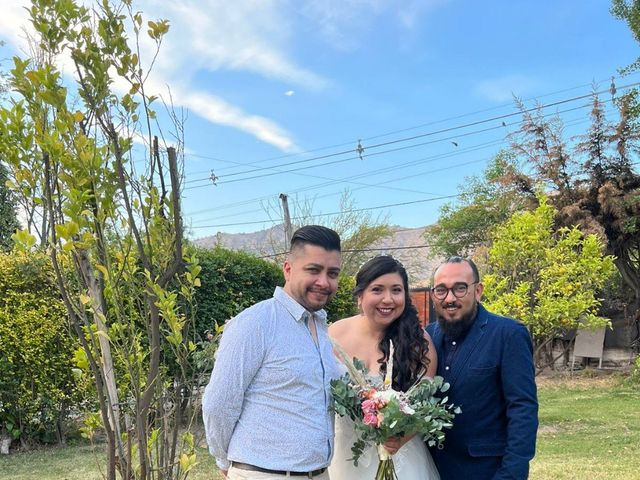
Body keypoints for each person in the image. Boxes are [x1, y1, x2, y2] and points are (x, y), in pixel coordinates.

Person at [202, 225, 343, 480]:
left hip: (320, 473)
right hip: (265, 474)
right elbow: (219, 403)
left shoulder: (321, 327)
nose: (324, 282)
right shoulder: (256, 323)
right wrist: (224, 461)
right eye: (313, 270)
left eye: (332, 273)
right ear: (288, 269)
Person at [328, 255, 440, 480]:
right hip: (344, 456)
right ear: (360, 295)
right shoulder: (334, 334)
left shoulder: (420, 342)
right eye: (377, 290)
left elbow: (424, 403)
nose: (388, 299)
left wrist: (398, 437)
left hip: (399, 456)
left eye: (396, 290)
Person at [426, 256, 538, 480]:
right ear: (433, 295)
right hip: (431, 470)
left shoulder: (508, 334)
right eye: (441, 290)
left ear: (478, 291)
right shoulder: (427, 337)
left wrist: (511, 475)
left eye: (460, 288)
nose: (450, 298)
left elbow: (522, 409)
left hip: (486, 471)